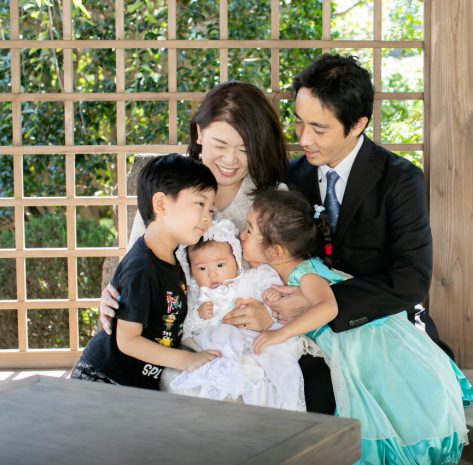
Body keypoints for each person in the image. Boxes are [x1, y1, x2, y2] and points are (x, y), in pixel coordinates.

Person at [242, 53, 451, 414]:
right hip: (305, 329)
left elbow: (411, 280)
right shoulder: (295, 178)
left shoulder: (399, 180)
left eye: (318, 128)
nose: (304, 139)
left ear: (357, 125)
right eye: (299, 124)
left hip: (380, 320)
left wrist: (321, 301)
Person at [242, 190, 473, 465]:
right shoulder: (285, 271)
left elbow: (328, 308)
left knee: (377, 400)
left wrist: (280, 333)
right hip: (351, 336)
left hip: (363, 342)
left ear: (276, 250)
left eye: (248, 230)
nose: (241, 235)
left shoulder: (305, 275)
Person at [99, 80, 289, 335]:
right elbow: (136, 263)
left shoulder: (273, 199)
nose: (230, 160)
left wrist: (272, 315)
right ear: (199, 133)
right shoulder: (170, 186)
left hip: (252, 339)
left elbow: (297, 280)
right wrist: (114, 296)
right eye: (220, 145)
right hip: (177, 337)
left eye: (244, 149)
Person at [70, 154, 221, 389]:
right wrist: (188, 360)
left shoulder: (170, 259)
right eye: (200, 204)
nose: (207, 218)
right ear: (160, 204)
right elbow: (128, 341)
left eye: (211, 210)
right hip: (104, 381)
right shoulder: (142, 268)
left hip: (132, 383)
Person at [165, 218, 306, 411]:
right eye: (202, 268)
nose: (212, 275)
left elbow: (275, 293)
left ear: (236, 260)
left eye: (220, 265)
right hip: (217, 346)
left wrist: (272, 296)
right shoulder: (197, 296)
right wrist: (199, 316)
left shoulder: (249, 280)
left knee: (272, 371)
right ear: (190, 270)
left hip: (254, 338)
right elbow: (186, 329)